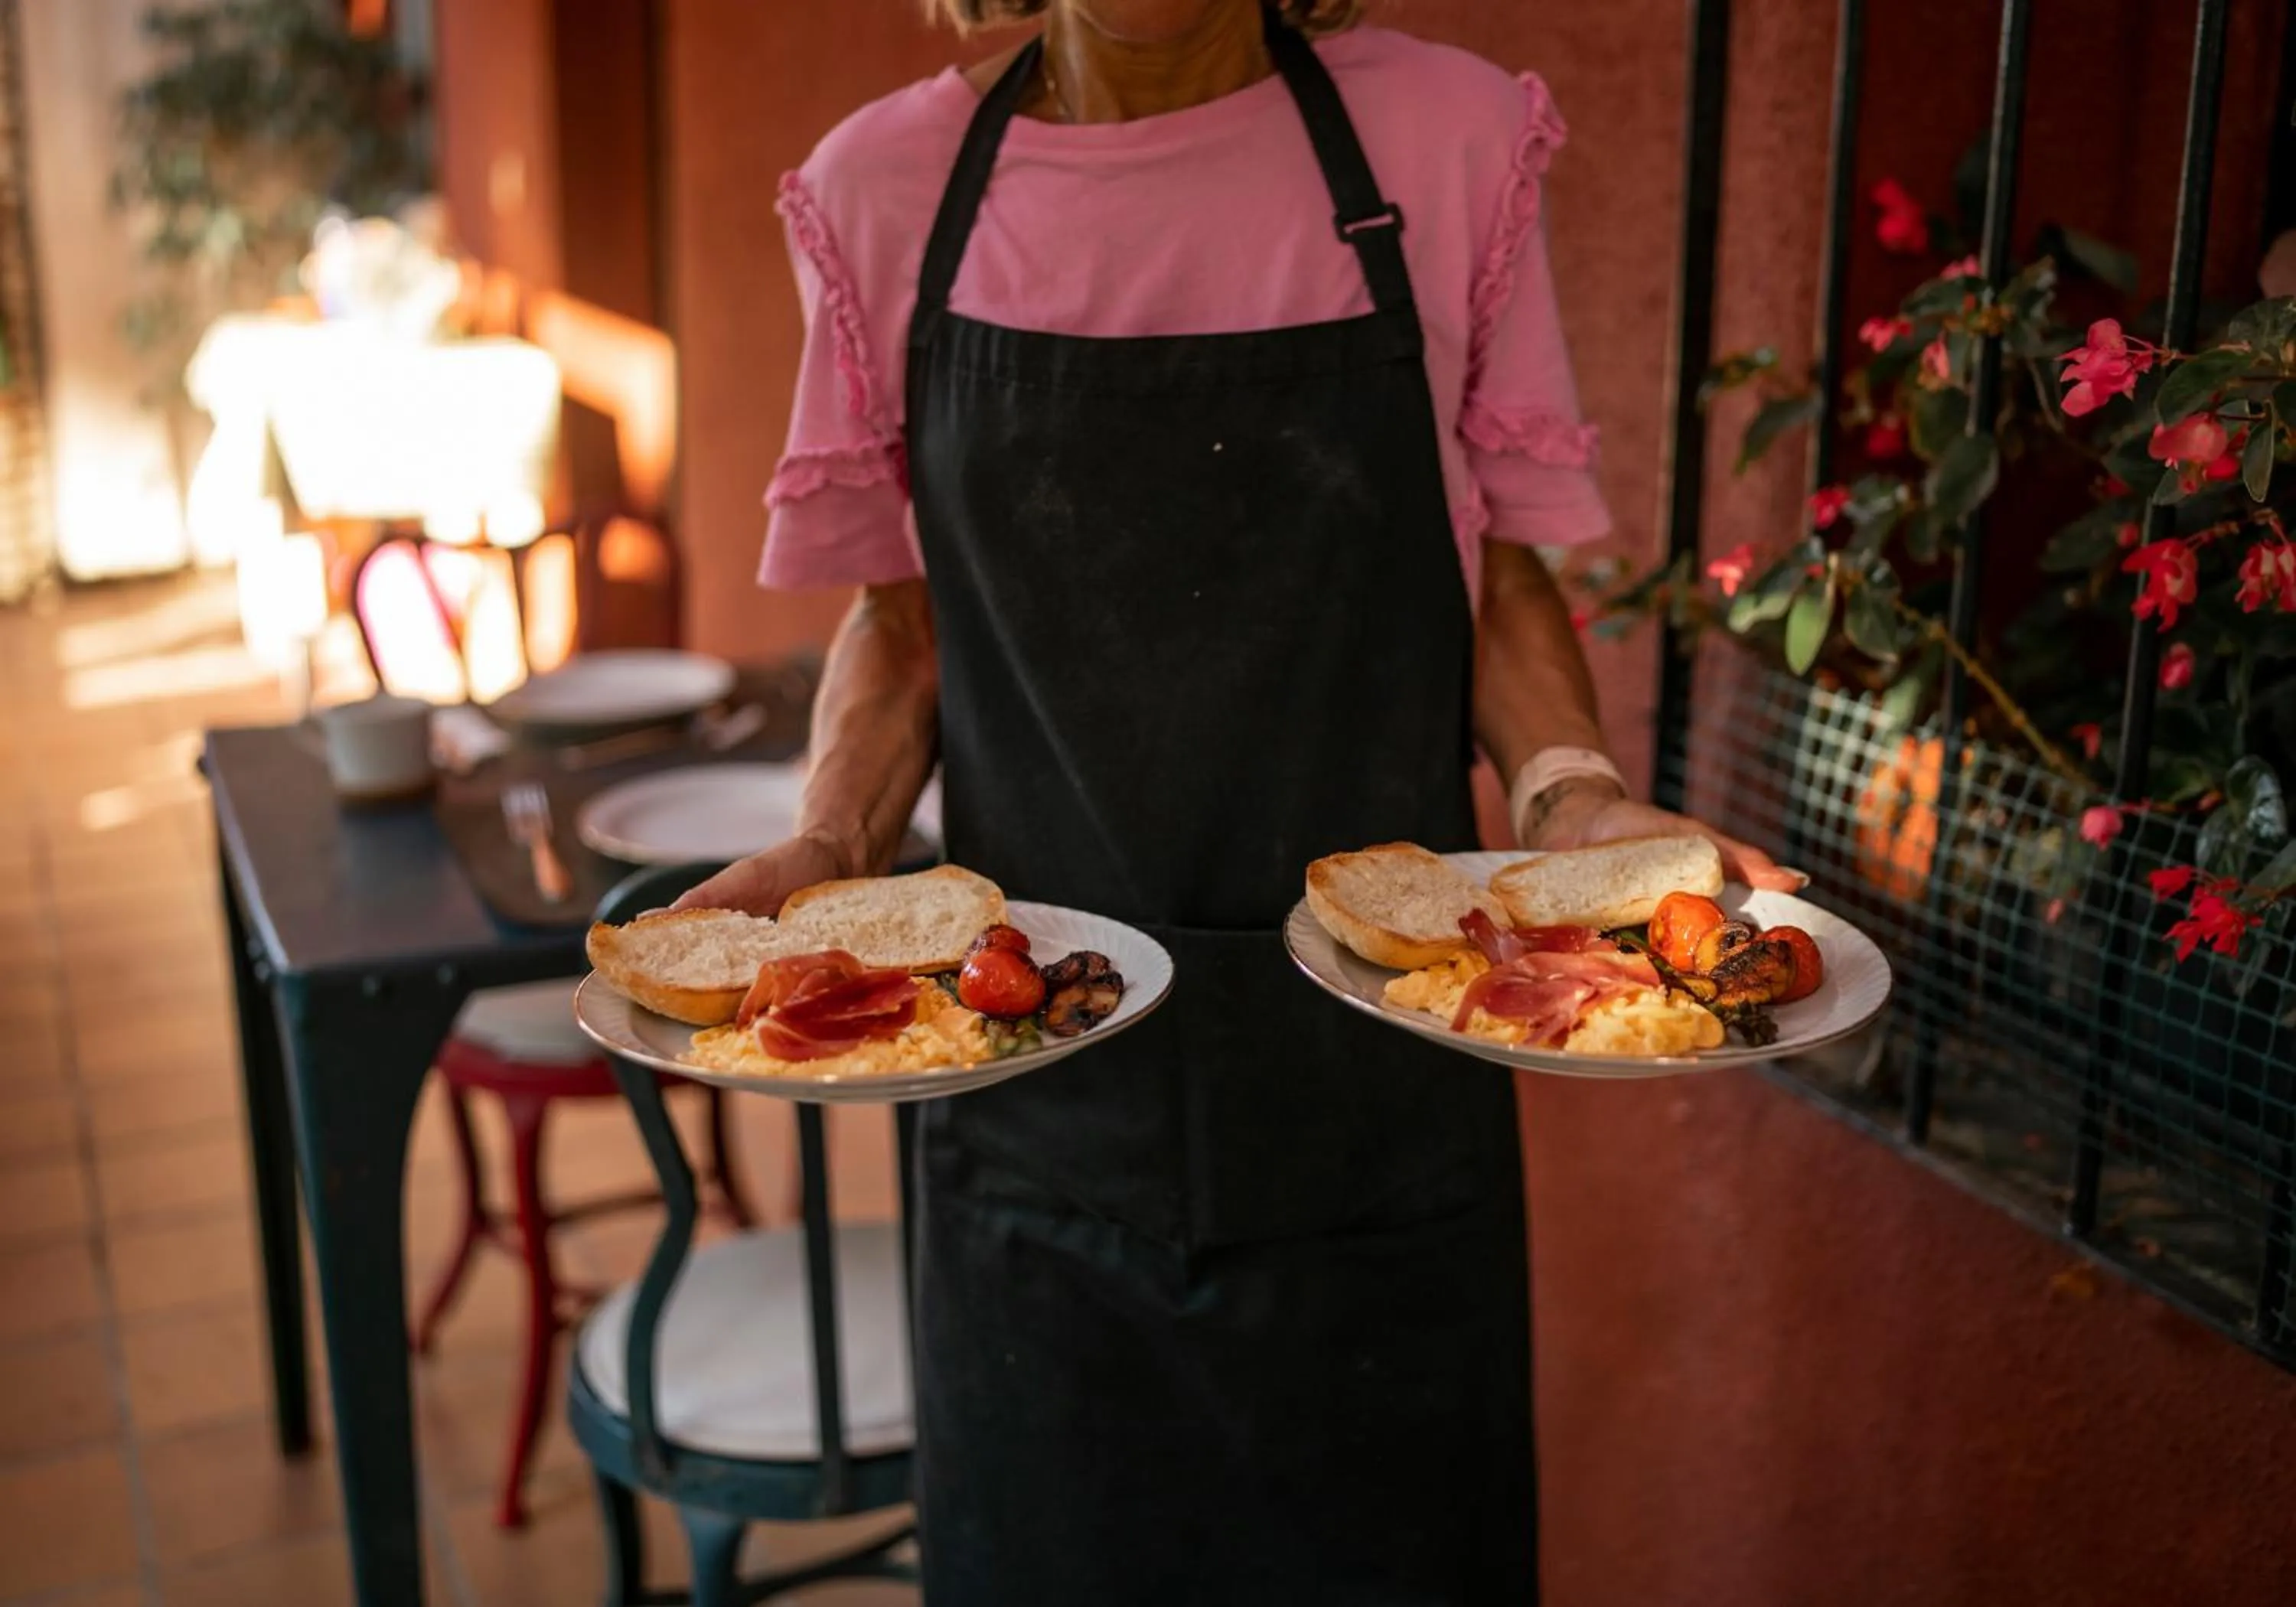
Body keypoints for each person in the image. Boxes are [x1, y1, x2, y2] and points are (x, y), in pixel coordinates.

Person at [679, 2, 1797, 1599]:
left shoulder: (1447, 144)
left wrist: (1567, 801)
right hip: (1033, 1119)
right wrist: (830, 845)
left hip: (1378, 1128)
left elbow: (1494, 576)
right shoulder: (885, 189)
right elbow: (906, 619)